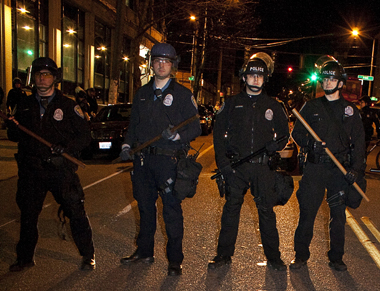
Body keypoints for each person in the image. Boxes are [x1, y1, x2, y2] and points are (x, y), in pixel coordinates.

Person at [120, 42, 201, 276]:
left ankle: (175, 259)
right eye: (157, 61)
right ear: (152, 64)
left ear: (172, 66)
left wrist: (177, 135)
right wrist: (127, 145)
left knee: (171, 211)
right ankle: (144, 251)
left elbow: (195, 127)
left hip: (168, 162)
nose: (161, 65)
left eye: (166, 61)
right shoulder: (143, 94)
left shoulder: (184, 95)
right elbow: (133, 125)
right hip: (143, 162)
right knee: (145, 209)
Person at [7, 57, 95, 272]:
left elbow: (85, 136)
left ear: (55, 78)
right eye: (39, 74)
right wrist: (12, 125)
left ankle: (88, 255)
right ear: (34, 78)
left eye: (47, 74)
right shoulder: (25, 105)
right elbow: (13, 136)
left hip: (60, 170)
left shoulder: (67, 105)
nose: (42, 78)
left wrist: (66, 147)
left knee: (75, 211)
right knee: (28, 216)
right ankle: (25, 257)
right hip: (31, 170)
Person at [208, 52, 289, 271]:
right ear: (244, 77)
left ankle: (274, 257)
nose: (255, 79)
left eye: (260, 75)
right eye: (251, 75)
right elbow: (218, 135)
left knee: (266, 212)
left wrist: (277, 146)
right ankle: (223, 255)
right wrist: (223, 163)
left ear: (265, 79)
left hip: (263, 168)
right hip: (237, 168)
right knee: (231, 211)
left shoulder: (273, 105)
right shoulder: (232, 104)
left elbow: (284, 135)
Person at [290, 55, 366, 271]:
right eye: (325, 79)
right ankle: (301, 255)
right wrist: (310, 145)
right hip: (315, 168)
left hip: (338, 171)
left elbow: (359, 143)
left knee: (338, 217)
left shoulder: (350, 111)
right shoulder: (311, 107)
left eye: (332, 80)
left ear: (341, 83)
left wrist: (356, 170)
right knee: (307, 214)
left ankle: (336, 257)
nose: (327, 83)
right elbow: (297, 133)